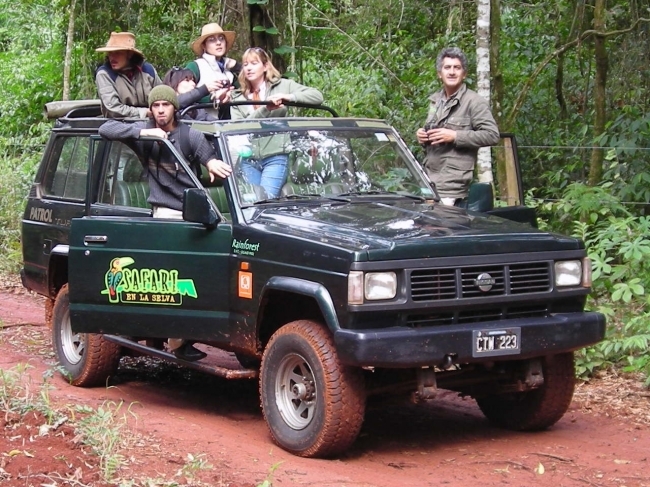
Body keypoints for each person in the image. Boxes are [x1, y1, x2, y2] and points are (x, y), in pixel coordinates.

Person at [98, 85, 232, 361]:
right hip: (165, 212)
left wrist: (212, 164)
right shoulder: (144, 132)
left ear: (174, 108)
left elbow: (207, 156)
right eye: (156, 105)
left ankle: (187, 333)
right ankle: (175, 341)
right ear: (151, 109)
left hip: (193, 209)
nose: (161, 110)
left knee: (201, 273)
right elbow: (106, 129)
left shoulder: (188, 134)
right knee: (174, 276)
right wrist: (144, 133)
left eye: (166, 105)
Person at [231, 47, 324, 198]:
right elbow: (239, 128)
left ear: (265, 66)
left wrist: (289, 97)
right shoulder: (236, 96)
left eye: (254, 63)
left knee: (266, 200)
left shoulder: (282, 85)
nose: (248, 68)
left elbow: (317, 96)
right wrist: (265, 109)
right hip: (249, 158)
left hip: (275, 156)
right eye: (246, 64)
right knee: (251, 202)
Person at [416, 47, 500, 206]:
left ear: (464, 73)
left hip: (452, 185)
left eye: (457, 67)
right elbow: (431, 131)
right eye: (447, 67)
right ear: (439, 73)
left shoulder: (474, 102)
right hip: (428, 180)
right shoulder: (435, 101)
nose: (452, 72)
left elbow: (492, 134)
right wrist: (422, 135)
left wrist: (455, 136)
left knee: (442, 228)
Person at [95, 31, 162, 119]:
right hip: (119, 126)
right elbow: (113, 109)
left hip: (152, 123)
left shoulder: (148, 71)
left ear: (129, 54)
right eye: (110, 53)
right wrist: (144, 112)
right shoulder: (105, 74)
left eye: (117, 53)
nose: (112, 58)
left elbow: (163, 96)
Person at [185, 23, 240, 119]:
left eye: (221, 38)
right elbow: (184, 96)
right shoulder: (195, 66)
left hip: (230, 124)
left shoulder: (229, 69)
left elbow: (246, 90)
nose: (218, 43)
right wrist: (213, 98)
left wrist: (238, 67)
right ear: (204, 46)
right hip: (203, 125)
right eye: (212, 40)